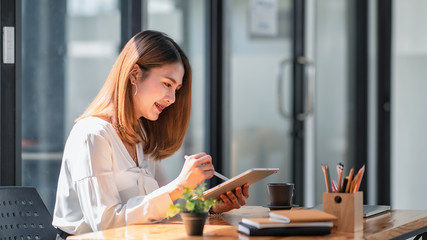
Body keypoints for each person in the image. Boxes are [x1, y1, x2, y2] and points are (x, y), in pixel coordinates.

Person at [52, 30, 249, 238]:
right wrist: (179, 185)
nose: (172, 98)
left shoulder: (140, 136)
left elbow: (166, 209)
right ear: (135, 74)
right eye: (167, 84)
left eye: (177, 89)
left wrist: (210, 206)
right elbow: (105, 224)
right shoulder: (91, 135)